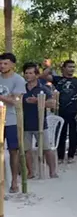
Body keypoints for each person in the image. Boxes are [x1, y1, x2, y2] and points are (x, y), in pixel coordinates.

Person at [41, 60, 77, 164]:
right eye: (69, 67)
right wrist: (49, 66)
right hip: (60, 111)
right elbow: (43, 76)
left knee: (74, 134)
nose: (72, 69)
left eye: (73, 67)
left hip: (74, 111)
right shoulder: (58, 79)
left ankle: (71, 156)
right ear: (64, 68)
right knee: (61, 134)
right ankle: (60, 157)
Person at [21, 62, 57, 178]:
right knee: (27, 150)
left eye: (31, 73)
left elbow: (53, 103)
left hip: (40, 124)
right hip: (24, 124)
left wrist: (38, 101)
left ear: (36, 75)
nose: (28, 75)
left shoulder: (43, 88)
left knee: (46, 148)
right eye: (26, 73)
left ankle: (52, 172)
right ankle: (31, 172)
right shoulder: (21, 88)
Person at [0, 53, 27, 192]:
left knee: (13, 151)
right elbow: (9, 98)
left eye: (5, 63)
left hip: (12, 120)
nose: (2, 66)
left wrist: (4, 97)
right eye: (1, 63)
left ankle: (14, 181)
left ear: (12, 65)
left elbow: (15, 101)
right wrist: (7, 97)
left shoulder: (19, 80)